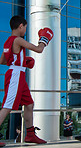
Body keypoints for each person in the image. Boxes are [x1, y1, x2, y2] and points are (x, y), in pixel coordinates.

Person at [0, 15, 53, 146]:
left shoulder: (8, 41)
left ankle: (30, 135)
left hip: (17, 74)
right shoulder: (18, 40)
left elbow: (3, 61)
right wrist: (44, 39)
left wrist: (22, 61)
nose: (25, 30)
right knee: (7, 106)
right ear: (21, 26)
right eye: (25, 27)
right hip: (16, 75)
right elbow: (38, 49)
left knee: (29, 104)